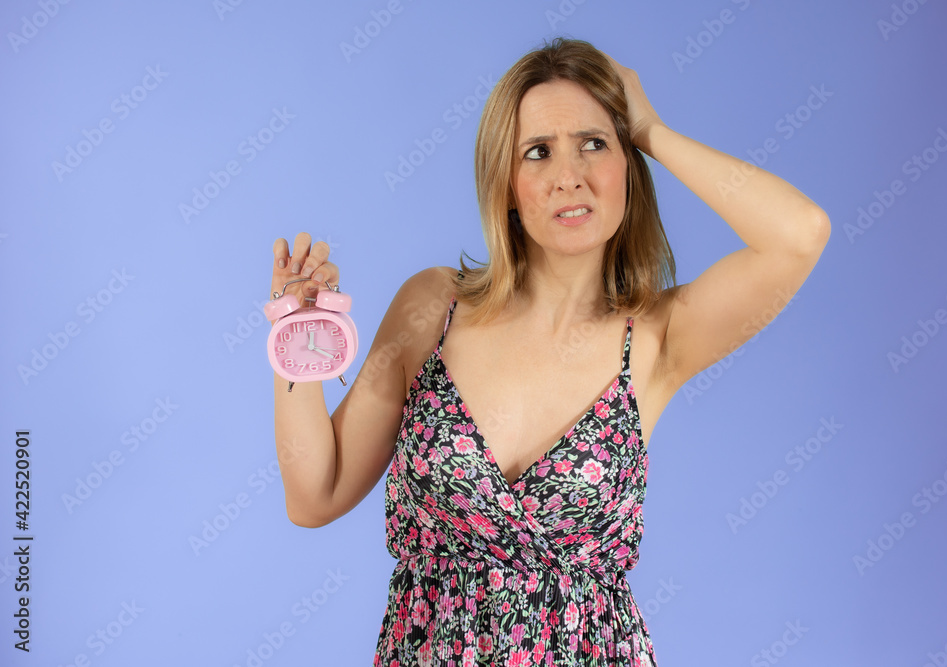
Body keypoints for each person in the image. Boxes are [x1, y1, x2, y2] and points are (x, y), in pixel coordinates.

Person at [267, 37, 829, 667]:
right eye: (537, 153)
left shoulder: (657, 338)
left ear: (627, 166)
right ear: (504, 186)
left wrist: (650, 128)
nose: (570, 176)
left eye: (595, 143)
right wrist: (301, 335)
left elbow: (799, 235)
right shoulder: (432, 308)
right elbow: (315, 495)